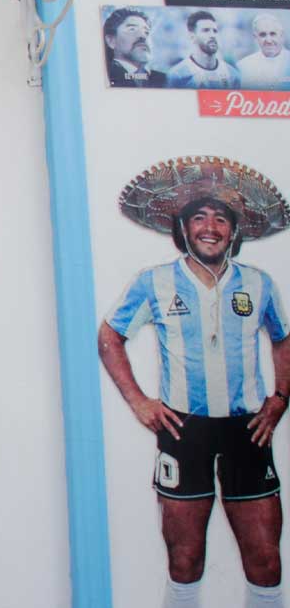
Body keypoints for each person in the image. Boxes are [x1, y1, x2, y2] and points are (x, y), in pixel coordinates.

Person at [99, 157, 290, 608]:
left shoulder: (259, 285)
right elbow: (110, 337)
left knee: (265, 559)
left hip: (248, 430)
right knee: (185, 560)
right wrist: (140, 402)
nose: (210, 227)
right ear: (182, 227)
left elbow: (283, 342)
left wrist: (280, 398)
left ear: (234, 230)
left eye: (220, 218)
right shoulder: (154, 282)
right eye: (199, 217)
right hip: (184, 431)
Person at [167, 10, 241, 89]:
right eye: (206, 30)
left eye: (215, 31)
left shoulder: (232, 75)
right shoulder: (177, 76)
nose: (212, 35)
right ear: (192, 36)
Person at [103, 7, 169, 88]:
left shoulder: (166, 80)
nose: (143, 36)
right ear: (111, 41)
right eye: (132, 29)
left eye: (146, 32)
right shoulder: (103, 76)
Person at [238, 13, 290, 90]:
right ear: (255, 37)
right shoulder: (243, 66)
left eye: (273, 34)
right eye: (263, 35)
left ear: (281, 35)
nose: (268, 40)